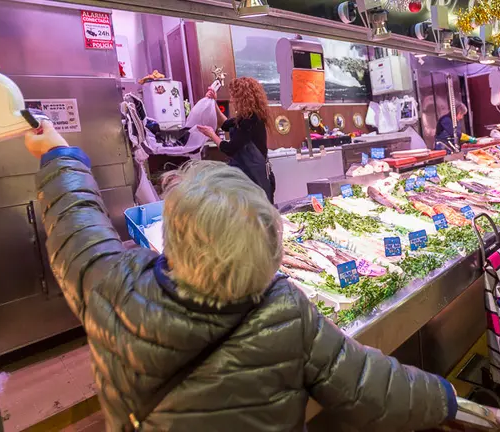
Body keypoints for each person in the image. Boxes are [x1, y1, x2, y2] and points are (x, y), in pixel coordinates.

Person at [23, 121, 458, 431]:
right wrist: (446, 398)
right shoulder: (286, 311)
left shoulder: (114, 287)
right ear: (270, 247)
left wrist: (59, 155)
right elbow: (374, 388)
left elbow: (78, 227)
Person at [197, 77, 276, 204]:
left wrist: (211, 134)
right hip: (245, 172)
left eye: (234, 96)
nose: (232, 100)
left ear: (242, 98)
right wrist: (214, 103)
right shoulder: (244, 117)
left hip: (254, 175)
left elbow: (229, 149)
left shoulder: (250, 120)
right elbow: (225, 125)